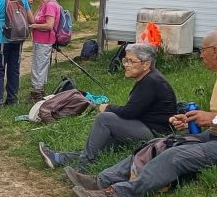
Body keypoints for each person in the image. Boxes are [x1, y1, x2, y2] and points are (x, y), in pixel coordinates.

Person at [69, 30, 217, 197]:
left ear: (216, 51)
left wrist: (213, 119)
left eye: (203, 50)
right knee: (158, 145)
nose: (200, 55)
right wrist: (193, 119)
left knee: (174, 156)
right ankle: (102, 181)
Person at [38, 43, 177, 172]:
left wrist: (108, 107)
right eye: (125, 60)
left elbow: (129, 112)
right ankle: (58, 158)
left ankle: (83, 167)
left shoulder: (151, 82)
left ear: (146, 64)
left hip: (154, 133)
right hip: (145, 125)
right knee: (100, 144)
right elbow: (134, 111)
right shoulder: (149, 79)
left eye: (131, 61)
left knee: (104, 119)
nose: (126, 65)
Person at [27, 0, 61, 103]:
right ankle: (38, 91)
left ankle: (37, 94)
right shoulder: (43, 5)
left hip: (45, 41)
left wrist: (34, 26)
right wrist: (29, 6)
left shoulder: (50, 5)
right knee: (38, 65)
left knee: (39, 66)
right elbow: (33, 19)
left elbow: (49, 25)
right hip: (39, 40)